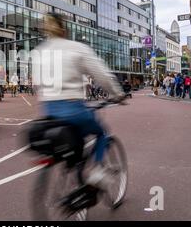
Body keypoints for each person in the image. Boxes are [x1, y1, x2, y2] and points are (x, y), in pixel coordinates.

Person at [34, 13, 125, 190]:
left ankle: (73, 175)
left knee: (73, 144)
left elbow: (37, 82)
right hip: (72, 108)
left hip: (49, 110)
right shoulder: (76, 48)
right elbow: (102, 75)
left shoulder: (40, 51)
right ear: (64, 28)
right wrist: (117, 94)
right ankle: (97, 170)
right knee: (101, 133)